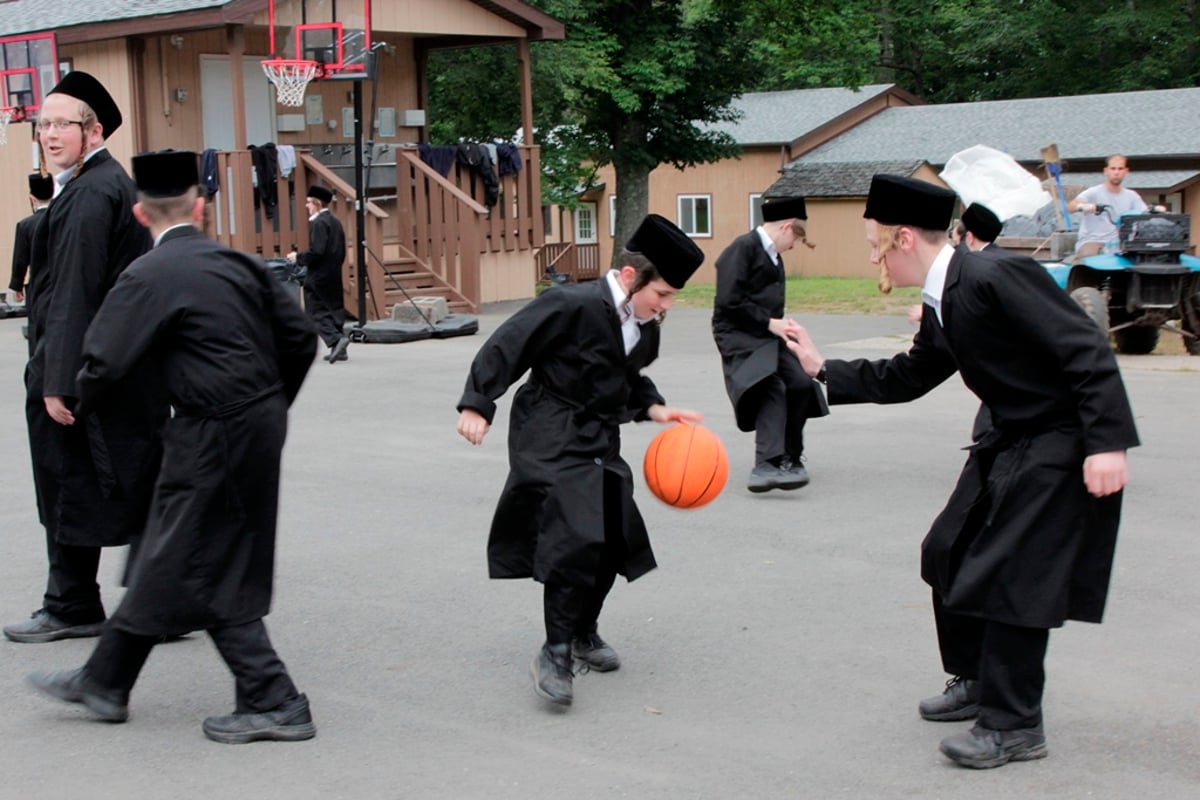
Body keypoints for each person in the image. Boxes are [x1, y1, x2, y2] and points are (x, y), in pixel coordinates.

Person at [785, 174, 1139, 769]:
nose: (872, 256)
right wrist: (823, 369)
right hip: (1010, 439)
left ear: (902, 238)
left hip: (1059, 440)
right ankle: (976, 681)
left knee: (1011, 576)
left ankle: (1015, 725)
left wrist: (1108, 443)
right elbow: (910, 374)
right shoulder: (944, 296)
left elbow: (1084, 345)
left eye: (874, 242)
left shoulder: (994, 274)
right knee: (947, 549)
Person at [26, 150, 319, 744]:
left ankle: (275, 698)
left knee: (198, 552)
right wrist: (267, 405)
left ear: (138, 213)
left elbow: (103, 361)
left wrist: (76, 402)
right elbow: (300, 337)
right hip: (254, 420)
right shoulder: (239, 263)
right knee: (170, 548)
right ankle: (105, 682)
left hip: (210, 427)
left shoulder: (147, 275)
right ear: (201, 204)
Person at [456, 214, 704, 708]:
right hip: (549, 430)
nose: (667, 306)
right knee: (575, 538)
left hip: (597, 437)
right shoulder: (570, 303)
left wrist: (654, 407)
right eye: (664, 295)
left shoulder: (644, 322)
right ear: (632, 277)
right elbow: (508, 344)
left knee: (614, 538)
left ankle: (582, 630)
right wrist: (476, 404)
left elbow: (626, 376)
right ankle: (555, 652)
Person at [4, 71, 164, 645]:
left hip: (82, 370)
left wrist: (57, 379)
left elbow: (74, 292)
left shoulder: (93, 193)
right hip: (110, 367)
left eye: (61, 124)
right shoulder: (91, 187)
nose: (49, 134)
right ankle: (162, 602)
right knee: (127, 482)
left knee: (70, 482)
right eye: (42, 124)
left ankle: (71, 603)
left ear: (93, 130)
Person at [712, 196, 828, 493]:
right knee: (770, 385)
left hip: (768, 333)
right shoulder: (742, 248)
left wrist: (782, 326)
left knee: (802, 383)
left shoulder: (774, 255)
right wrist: (769, 322)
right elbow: (728, 302)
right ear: (788, 227)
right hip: (739, 335)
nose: (794, 246)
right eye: (796, 240)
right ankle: (766, 465)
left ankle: (791, 456)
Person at [288, 185, 348, 363]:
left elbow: (317, 251)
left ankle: (336, 340)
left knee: (315, 311)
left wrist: (297, 257)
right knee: (333, 307)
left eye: (308, 202)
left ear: (317, 203)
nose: (306, 206)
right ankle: (340, 346)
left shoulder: (319, 223)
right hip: (333, 272)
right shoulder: (335, 222)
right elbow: (341, 250)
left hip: (319, 274)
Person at [1067, 154, 1150, 259]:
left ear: (1126, 171)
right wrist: (1084, 206)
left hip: (1119, 243)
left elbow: (1145, 214)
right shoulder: (1094, 192)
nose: (1116, 172)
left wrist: (1157, 210)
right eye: (1113, 168)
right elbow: (1070, 207)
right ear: (1106, 171)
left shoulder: (1132, 196)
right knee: (1087, 260)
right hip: (1093, 241)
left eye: (1120, 169)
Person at [7, 172, 54, 304]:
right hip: (64, 284)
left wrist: (17, 284)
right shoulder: (64, 219)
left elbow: (20, 260)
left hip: (39, 286)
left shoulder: (25, 225)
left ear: (32, 198)